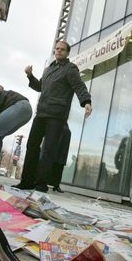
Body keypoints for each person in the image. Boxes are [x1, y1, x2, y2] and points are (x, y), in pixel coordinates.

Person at [16, 40, 92, 192]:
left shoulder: (70, 69)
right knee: (31, 145)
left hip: (57, 115)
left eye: (62, 49)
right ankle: (26, 181)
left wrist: (86, 101)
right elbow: (40, 87)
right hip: (41, 113)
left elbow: (79, 86)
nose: (59, 51)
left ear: (67, 53)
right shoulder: (48, 69)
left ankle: (41, 183)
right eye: (57, 49)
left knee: (49, 149)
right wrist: (30, 76)